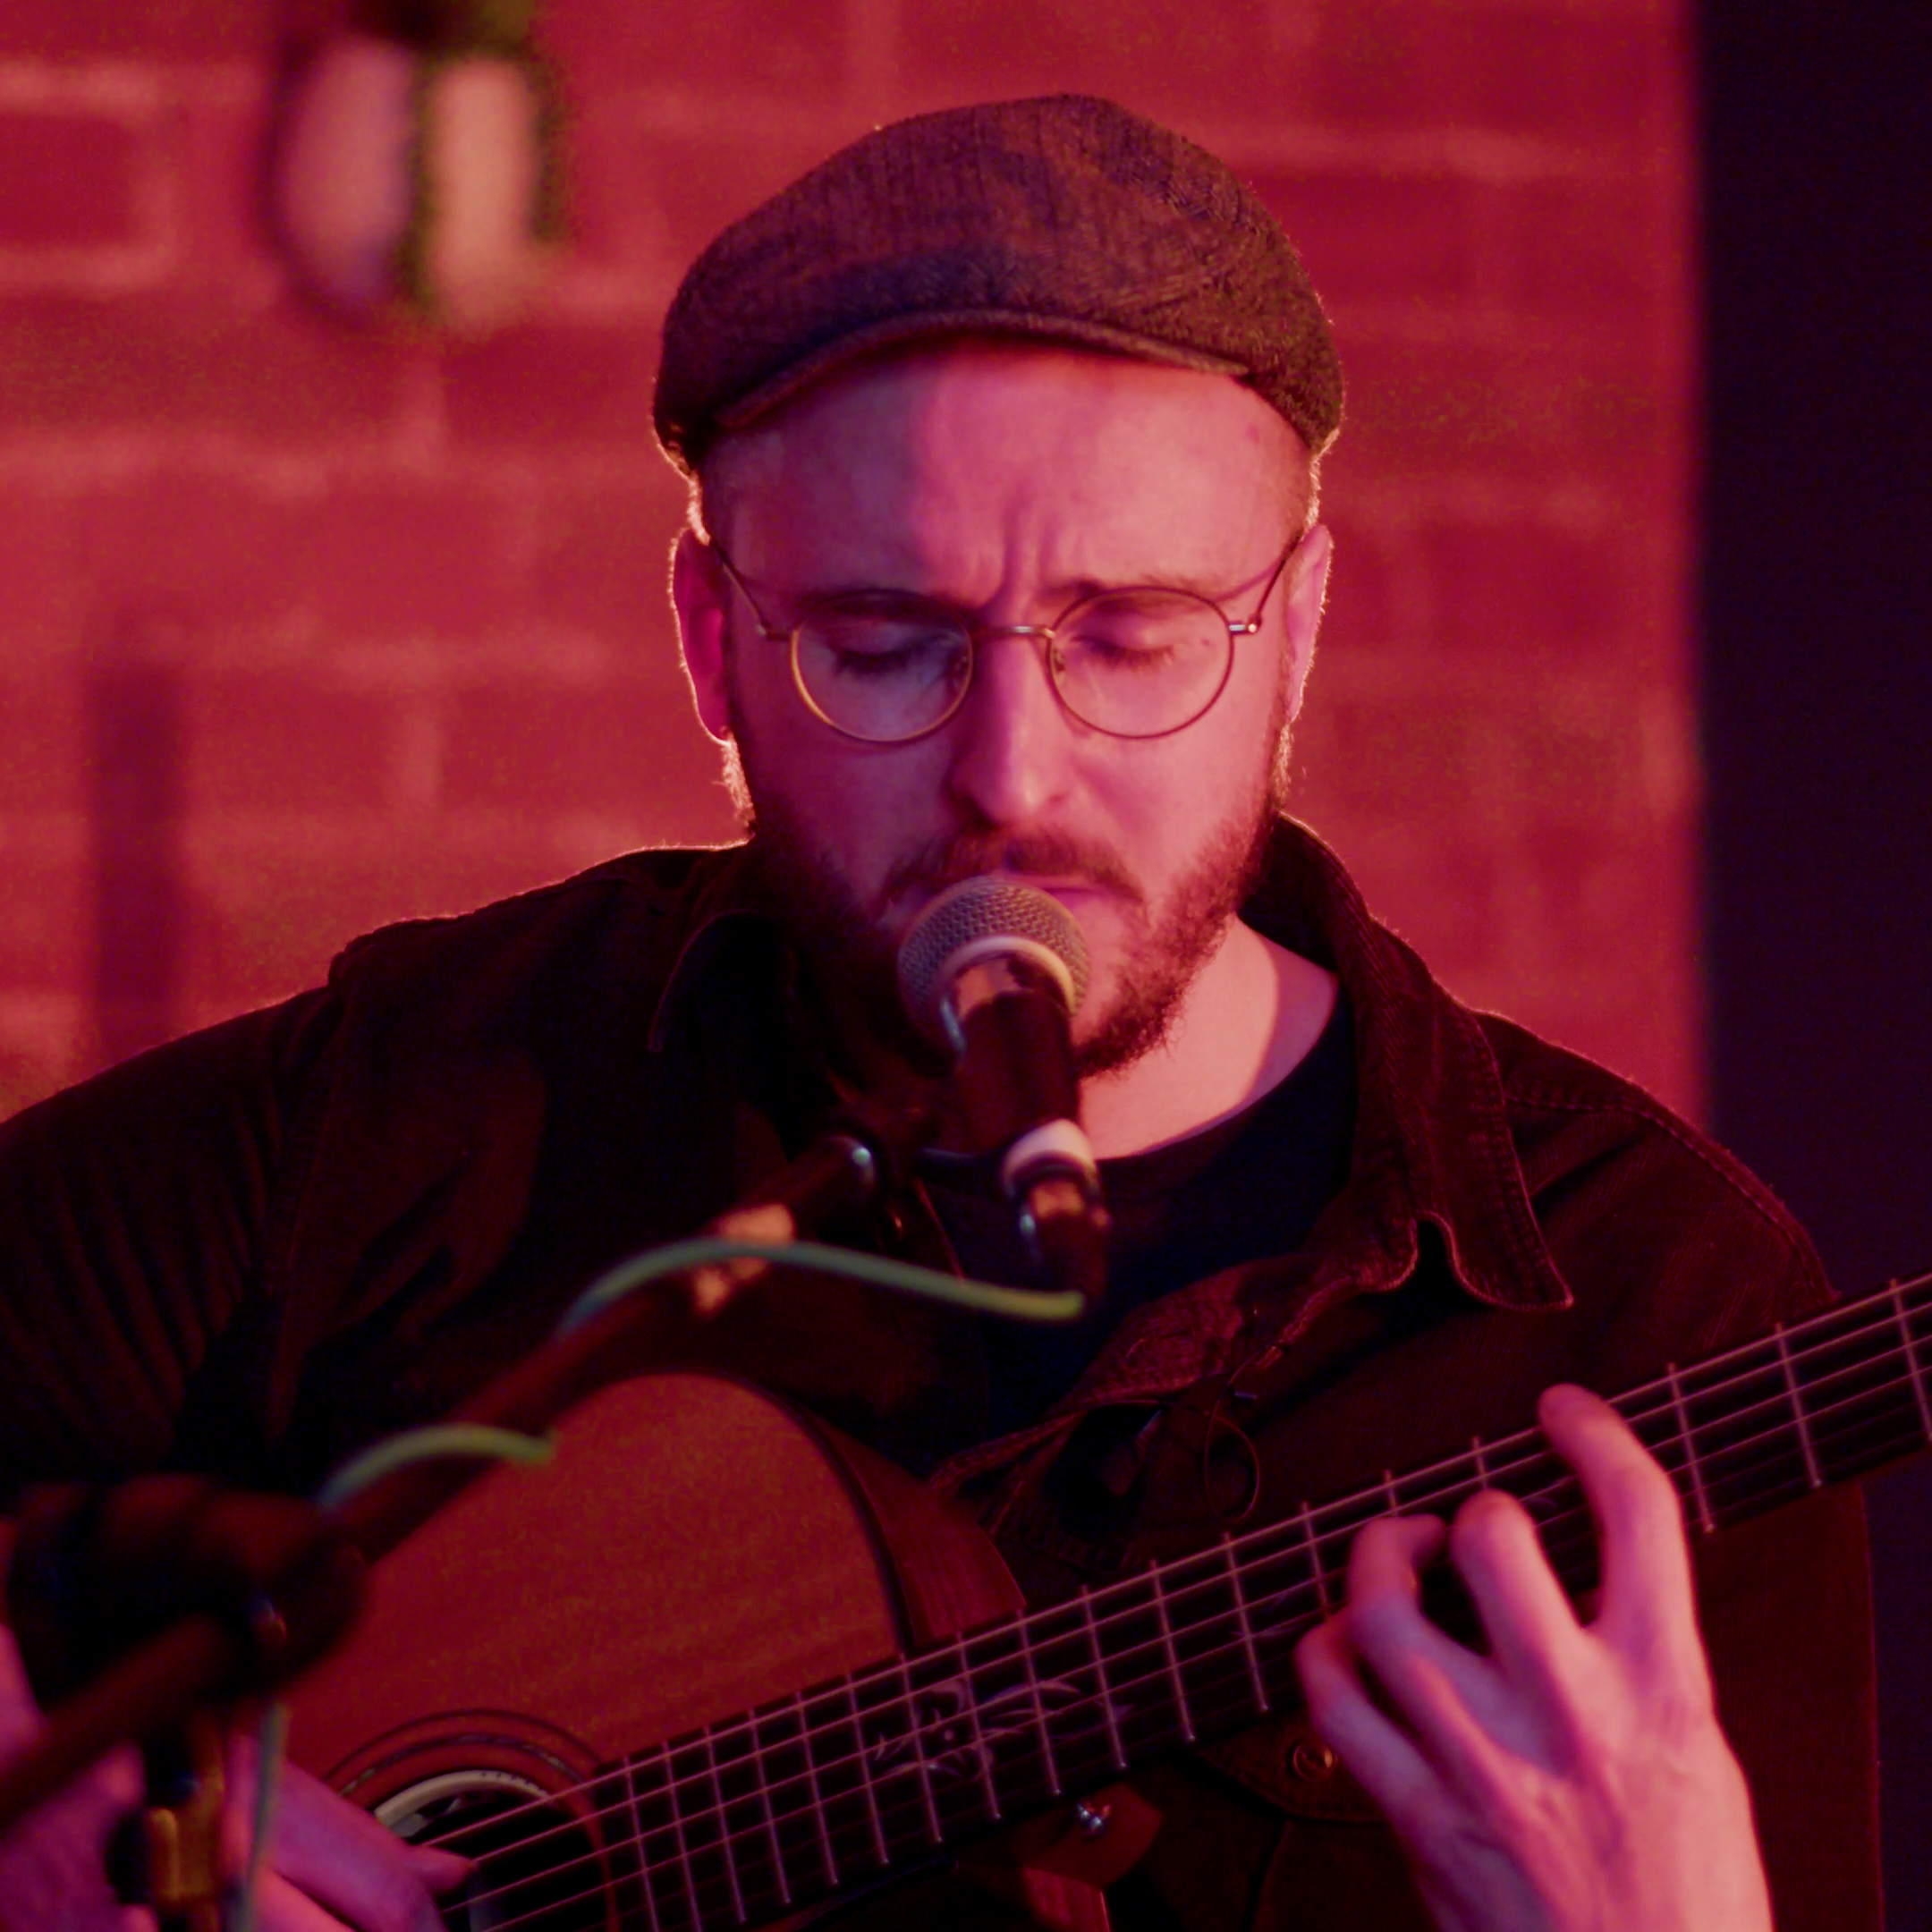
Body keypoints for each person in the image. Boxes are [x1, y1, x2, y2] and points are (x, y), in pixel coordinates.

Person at [0, 95, 1877, 1932]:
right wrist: (45, 1806)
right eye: (884, 644)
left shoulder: (1645, 1304)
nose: (1010, 775)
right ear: (714, 645)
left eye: (1133, 636)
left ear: (1296, 631)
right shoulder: (437, 1091)